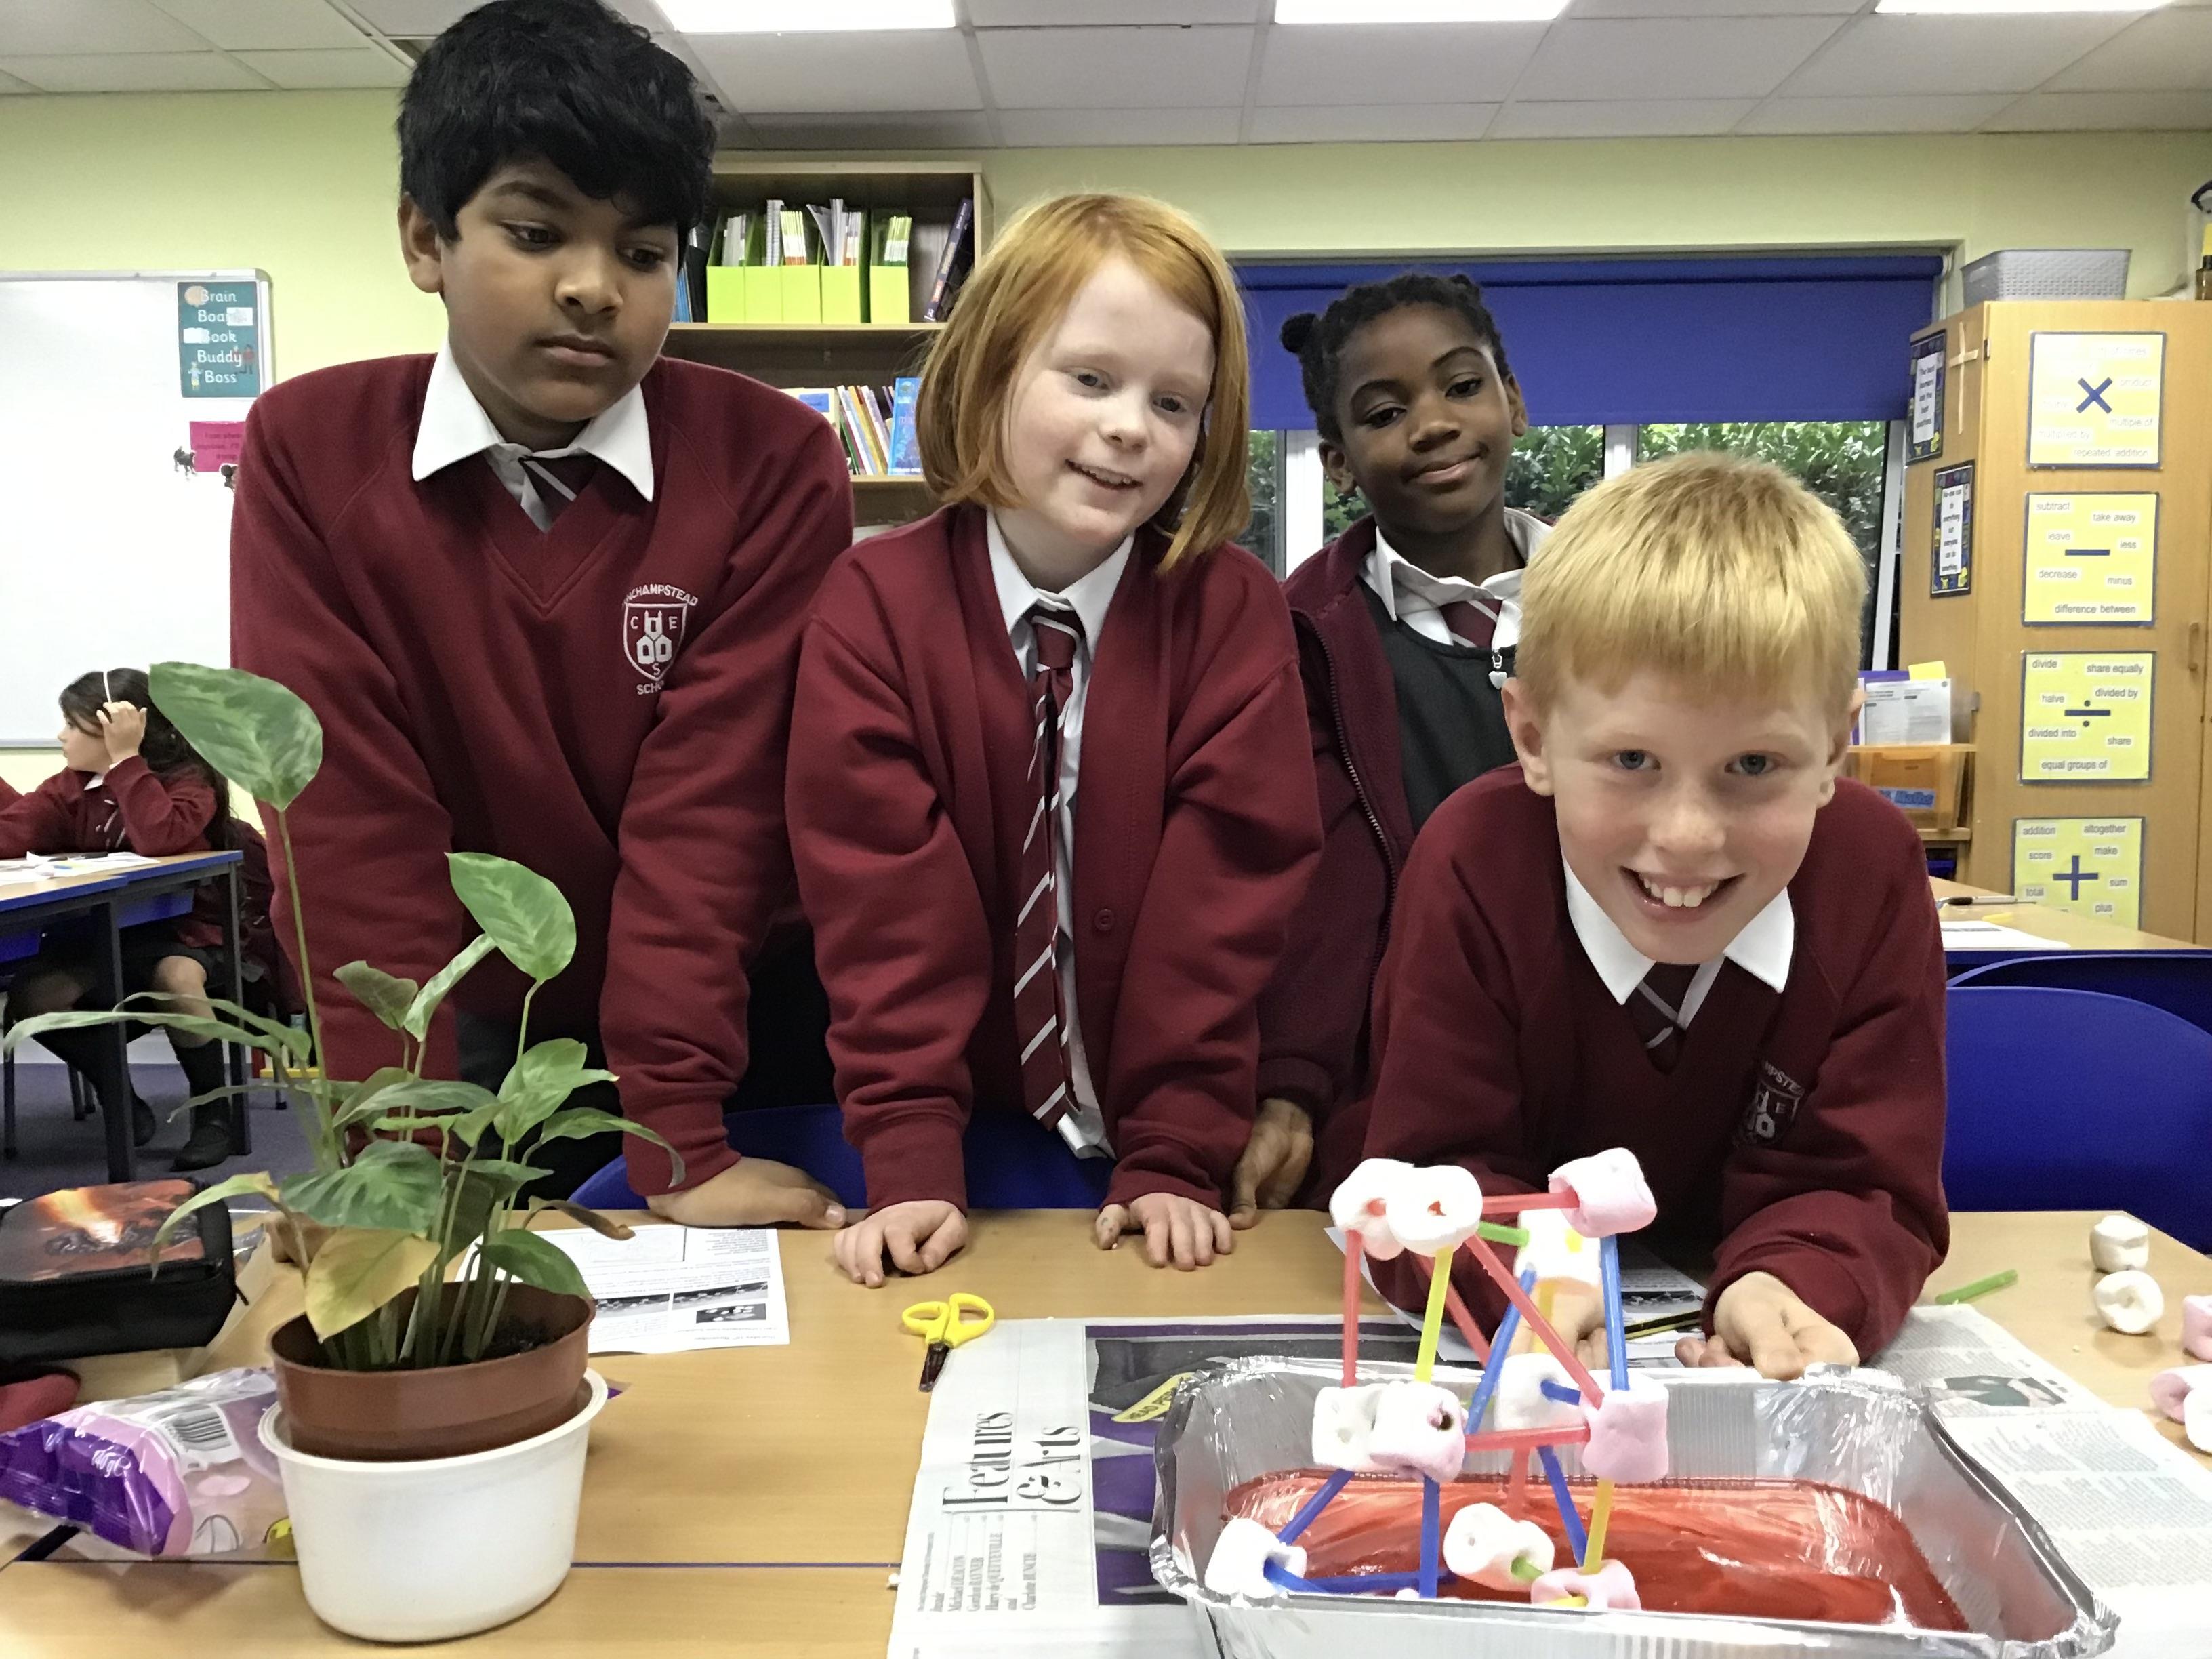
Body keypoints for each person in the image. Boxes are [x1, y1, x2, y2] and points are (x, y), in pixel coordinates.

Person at [229, 0, 853, 1221]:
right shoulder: (309, 452)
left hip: (736, 1008)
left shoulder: (772, 460)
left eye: (644, 253)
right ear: (426, 237)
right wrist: (403, 1163)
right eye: (534, 232)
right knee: (461, 1293)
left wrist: (676, 1138)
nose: (592, 288)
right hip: (463, 1011)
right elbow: (347, 830)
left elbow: (715, 816)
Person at [790, 193, 1322, 1286]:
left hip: (1164, 1139)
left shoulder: (1233, 611)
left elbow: (1220, 916)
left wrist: (1174, 1151)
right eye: (1089, 379)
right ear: (988, 373)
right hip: (966, 1137)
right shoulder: (872, 602)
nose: (1131, 427)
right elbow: (882, 912)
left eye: (1173, 403)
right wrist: (910, 1162)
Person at [1345, 452, 1948, 1378]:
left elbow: (1868, 1181)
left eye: (1754, 766)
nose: (1687, 837)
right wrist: (1535, 1277)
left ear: (1835, 747)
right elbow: (1430, 1177)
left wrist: (1798, 1283)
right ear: (1533, 737)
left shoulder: (1870, 872)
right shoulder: (1474, 862)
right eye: (1632, 761)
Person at [1244, 274, 1550, 1223]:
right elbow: (1315, 884)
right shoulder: (1299, 635)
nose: (1433, 425)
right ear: (1338, 462)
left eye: (1462, 386)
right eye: (1385, 413)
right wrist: (1290, 1084)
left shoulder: (1632, 601)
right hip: (1405, 1068)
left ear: (1514, 401)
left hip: (1594, 1044)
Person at [0, 670, 239, 1170]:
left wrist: (127, 762)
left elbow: (161, 837)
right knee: (32, 999)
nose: (61, 736)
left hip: (183, 933)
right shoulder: (69, 787)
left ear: (114, 729)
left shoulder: (187, 781)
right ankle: (120, 1098)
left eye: (72, 725)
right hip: (101, 938)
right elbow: (12, 832)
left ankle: (215, 1115)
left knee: (176, 979)